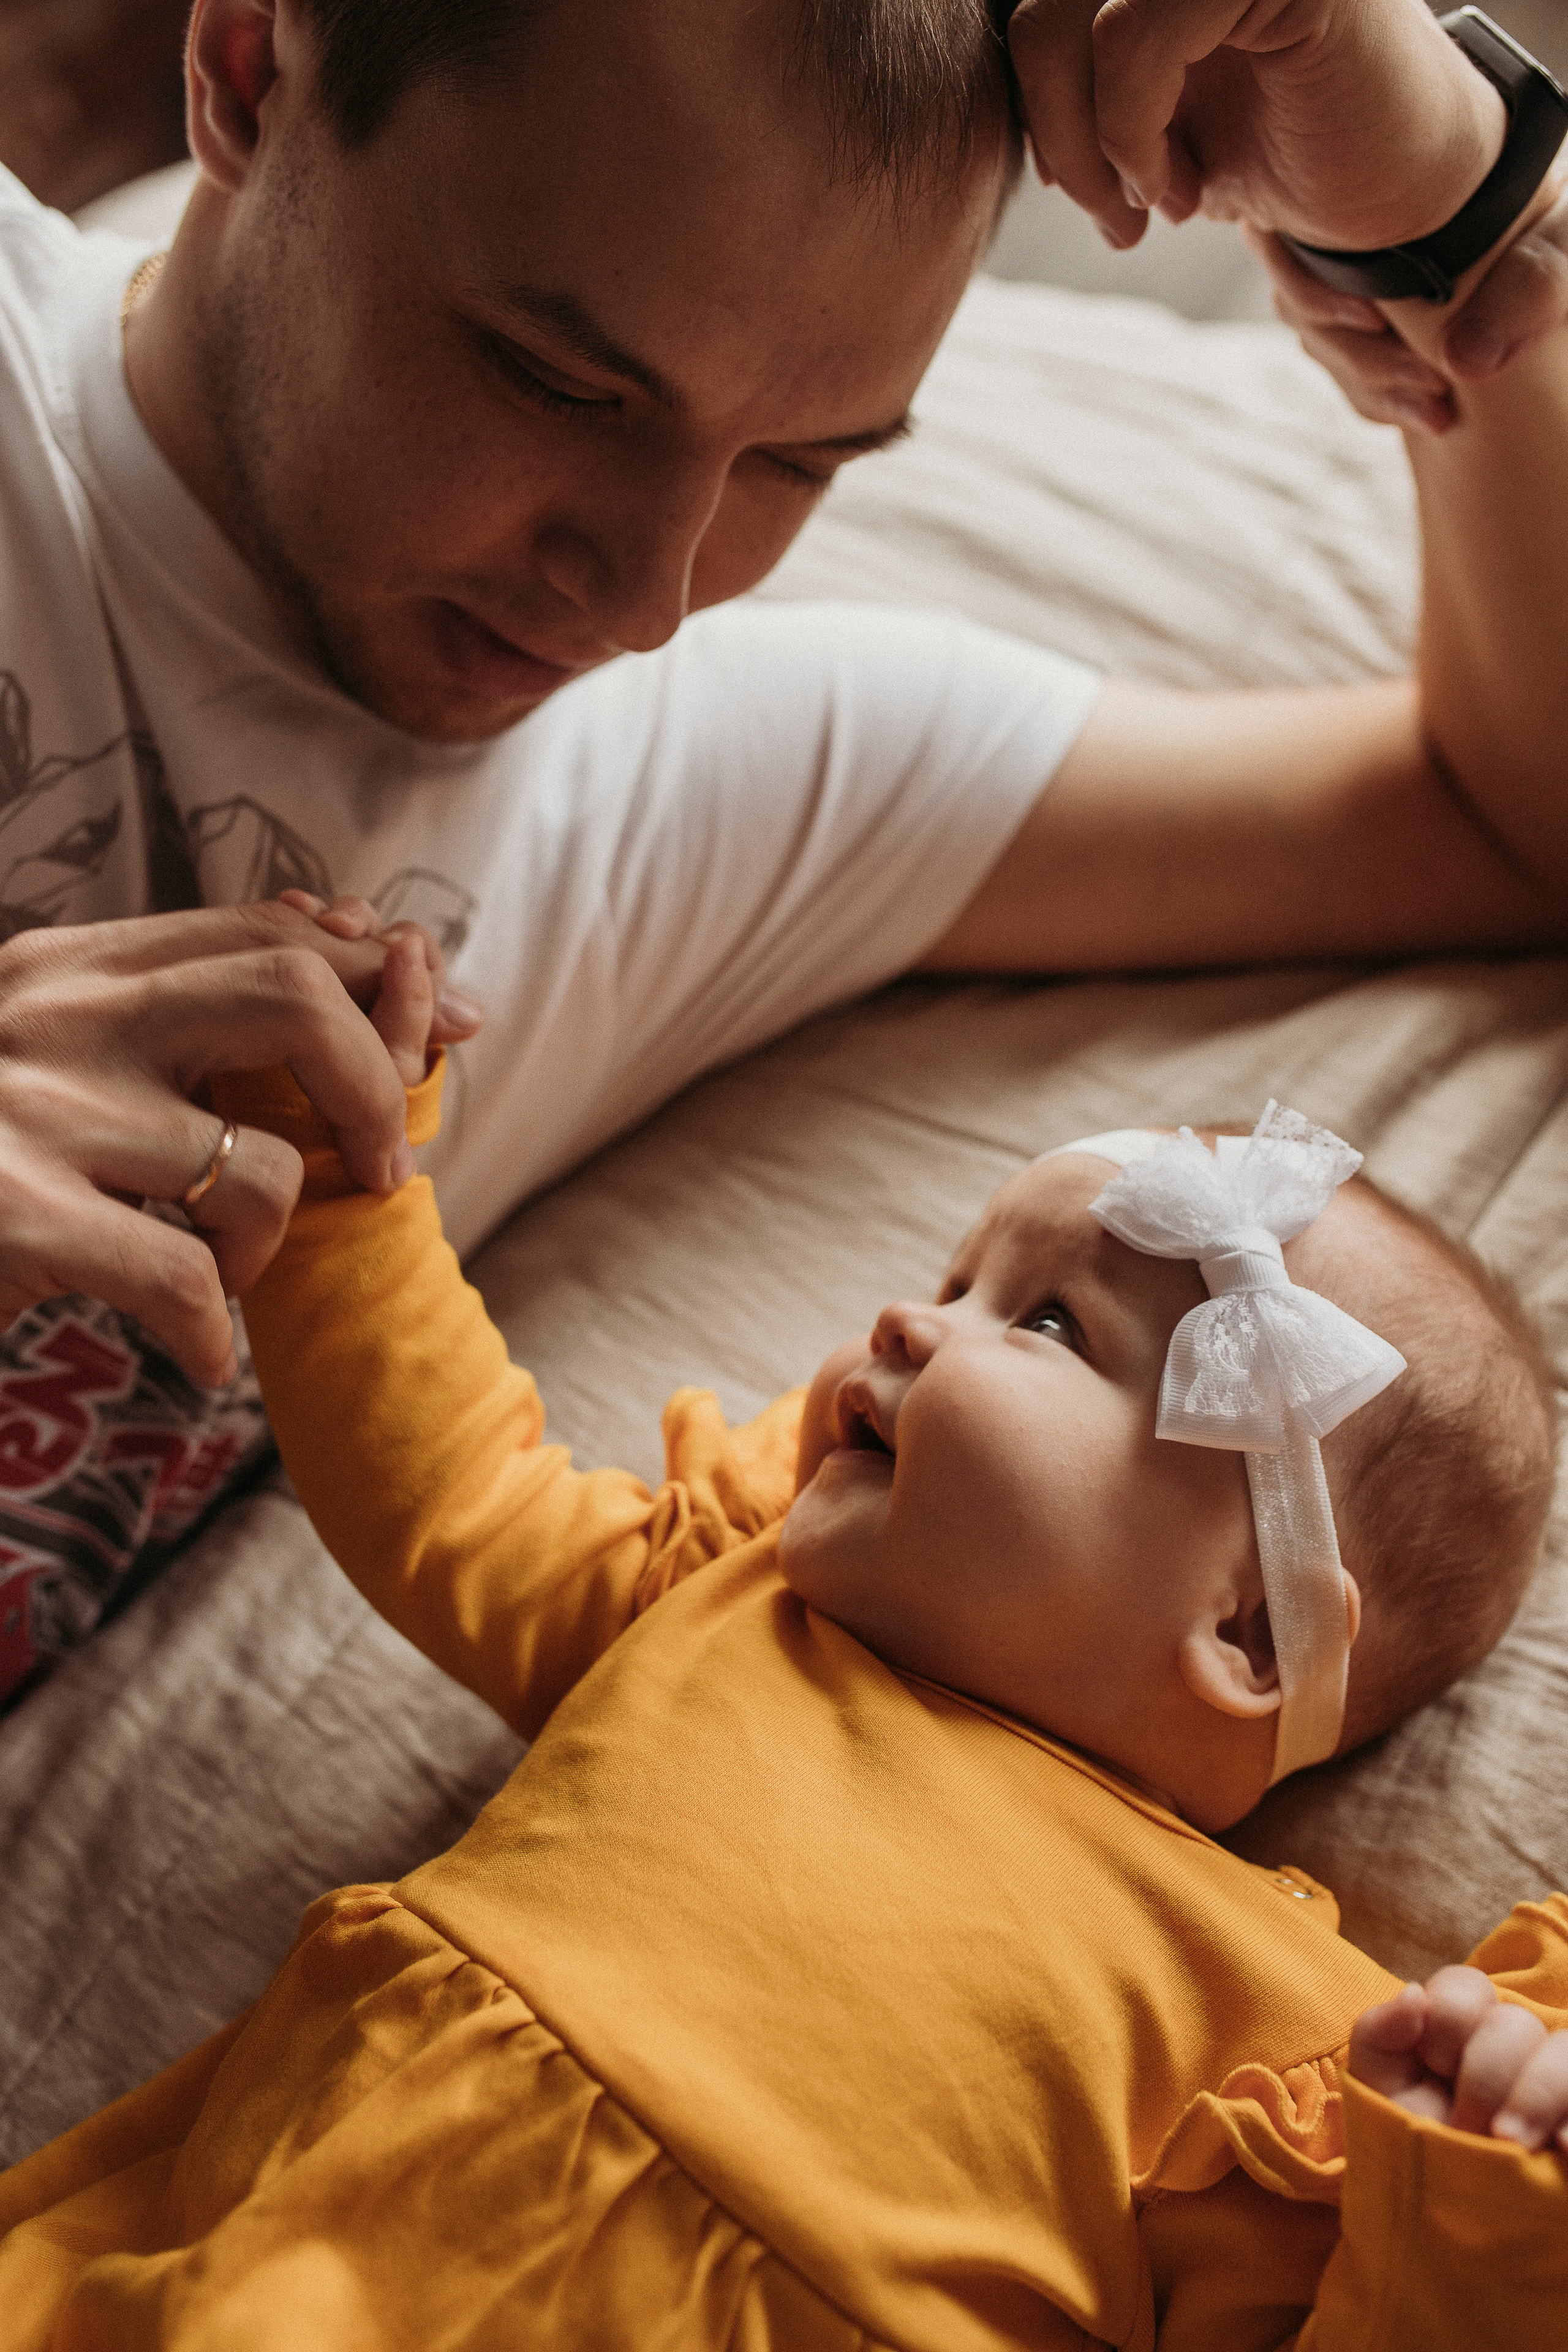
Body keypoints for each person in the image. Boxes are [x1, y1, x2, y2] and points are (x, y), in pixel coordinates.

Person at [1, 0, 1566, 1702]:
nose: (648, 599)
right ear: (246, 66)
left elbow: (1514, 806)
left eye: (798, 462)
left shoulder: (708, 780)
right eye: (559, 381)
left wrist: (1457, 207)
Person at [1, 915, 1560, 2350]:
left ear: (1250, 1635)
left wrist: (1481, 2203)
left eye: (1043, 1325)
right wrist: (342, 1179)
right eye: (956, 1275)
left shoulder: (1267, 2034)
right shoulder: (726, 1602)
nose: (904, 1321)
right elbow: (450, 1489)